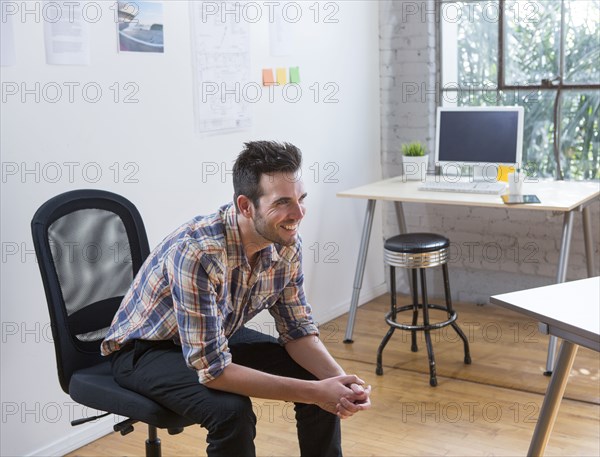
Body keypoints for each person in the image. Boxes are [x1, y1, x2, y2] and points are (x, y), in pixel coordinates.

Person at [101, 141, 371, 457]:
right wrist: (316, 393)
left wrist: (341, 383)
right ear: (245, 206)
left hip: (213, 335)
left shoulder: (285, 243)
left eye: (301, 199)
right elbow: (213, 370)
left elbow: (298, 332)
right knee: (232, 411)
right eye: (283, 202)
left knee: (318, 377)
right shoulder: (199, 253)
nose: (298, 213)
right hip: (144, 350)